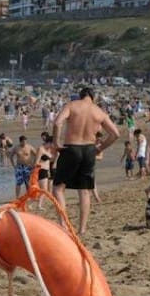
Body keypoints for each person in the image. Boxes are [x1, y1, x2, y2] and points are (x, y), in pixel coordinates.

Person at [51, 86, 120, 235]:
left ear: (80, 96)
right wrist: (100, 148)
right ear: (93, 97)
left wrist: (56, 143)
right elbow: (115, 134)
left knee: (58, 188)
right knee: (84, 191)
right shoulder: (98, 111)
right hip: (89, 149)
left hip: (72, 148)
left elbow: (57, 123)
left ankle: (63, 224)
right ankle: (82, 229)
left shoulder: (72, 105)